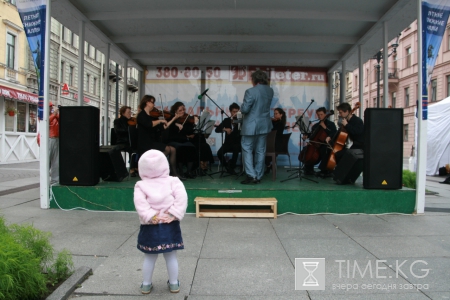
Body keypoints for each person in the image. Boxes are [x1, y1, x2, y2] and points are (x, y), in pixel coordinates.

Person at [134, 149, 187, 294]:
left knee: (150, 257)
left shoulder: (140, 185)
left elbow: (140, 204)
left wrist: (151, 216)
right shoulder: (173, 181)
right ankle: (174, 284)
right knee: (171, 256)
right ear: (165, 164)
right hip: (170, 223)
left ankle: (146, 284)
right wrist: (173, 214)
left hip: (150, 225)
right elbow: (181, 198)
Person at [136, 95, 184, 180]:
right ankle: (154, 166)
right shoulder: (141, 115)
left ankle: (174, 173)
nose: (154, 104)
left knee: (173, 149)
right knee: (167, 149)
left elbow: (164, 127)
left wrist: (174, 118)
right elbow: (149, 124)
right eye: (152, 102)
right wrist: (160, 120)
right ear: (147, 102)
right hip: (145, 143)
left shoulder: (152, 116)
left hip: (152, 142)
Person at [240, 70, 274, 184]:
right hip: (264, 124)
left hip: (251, 125)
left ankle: (251, 175)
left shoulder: (250, 91)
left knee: (247, 148)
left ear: (254, 79)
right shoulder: (270, 91)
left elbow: (245, 109)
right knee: (261, 150)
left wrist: (241, 106)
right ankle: (259, 175)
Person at [319, 102, 364, 176]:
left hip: (360, 146)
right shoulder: (347, 121)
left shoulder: (357, 120)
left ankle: (344, 174)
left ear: (347, 111)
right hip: (354, 145)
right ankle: (334, 172)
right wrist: (330, 136)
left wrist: (347, 125)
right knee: (335, 152)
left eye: (341, 112)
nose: (340, 115)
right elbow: (339, 131)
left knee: (342, 155)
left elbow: (357, 132)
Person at [301, 107, 337, 176]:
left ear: (325, 114)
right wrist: (307, 137)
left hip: (326, 144)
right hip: (316, 144)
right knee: (306, 149)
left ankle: (324, 170)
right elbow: (312, 135)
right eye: (318, 115)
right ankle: (308, 169)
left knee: (324, 149)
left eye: (321, 114)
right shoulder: (315, 125)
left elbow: (334, 133)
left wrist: (325, 128)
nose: (320, 116)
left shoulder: (330, 124)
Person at [215, 102, 242, 174]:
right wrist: (225, 129)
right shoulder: (227, 120)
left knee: (236, 148)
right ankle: (227, 166)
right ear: (230, 111)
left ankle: (232, 167)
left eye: (237, 112)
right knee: (219, 153)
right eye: (234, 112)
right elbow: (217, 130)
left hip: (237, 143)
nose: (235, 113)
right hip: (228, 143)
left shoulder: (241, 121)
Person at [37, 102, 59, 183]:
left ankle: (55, 180)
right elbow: (46, 122)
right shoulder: (42, 116)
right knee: (47, 160)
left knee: (56, 161)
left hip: (56, 139)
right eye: (49, 107)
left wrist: (56, 113)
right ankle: (44, 179)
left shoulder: (55, 116)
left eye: (51, 107)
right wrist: (54, 114)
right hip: (48, 139)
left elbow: (61, 120)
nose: (51, 108)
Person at [113, 106, 138, 176]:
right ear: (123, 113)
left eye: (130, 112)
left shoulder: (131, 121)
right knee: (131, 149)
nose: (130, 114)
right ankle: (132, 169)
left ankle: (136, 167)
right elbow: (118, 130)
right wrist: (129, 129)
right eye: (128, 112)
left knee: (138, 148)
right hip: (122, 141)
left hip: (130, 142)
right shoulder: (117, 121)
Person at [265, 107, 287, 174]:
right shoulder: (274, 122)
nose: (275, 115)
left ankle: (269, 166)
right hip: (271, 143)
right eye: (274, 114)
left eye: (276, 114)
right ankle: (269, 166)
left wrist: (271, 121)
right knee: (260, 151)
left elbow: (273, 131)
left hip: (276, 144)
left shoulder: (281, 123)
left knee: (262, 151)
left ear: (281, 115)